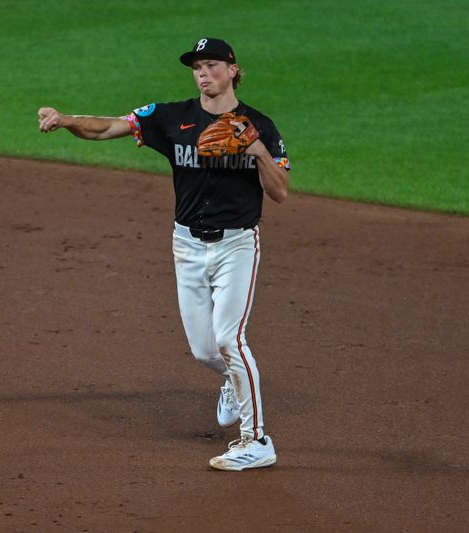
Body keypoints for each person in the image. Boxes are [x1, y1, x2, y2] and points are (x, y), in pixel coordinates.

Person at [37, 37, 290, 471]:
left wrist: (256, 149)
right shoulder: (172, 118)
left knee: (231, 339)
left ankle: (257, 440)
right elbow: (109, 126)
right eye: (197, 67)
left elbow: (280, 191)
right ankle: (232, 380)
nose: (203, 73)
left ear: (233, 70)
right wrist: (64, 120)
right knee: (203, 350)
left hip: (236, 245)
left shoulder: (260, 125)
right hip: (186, 245)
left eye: (212, 65)